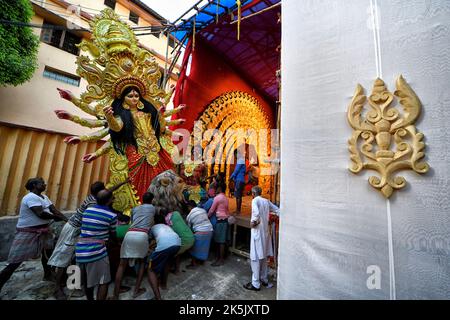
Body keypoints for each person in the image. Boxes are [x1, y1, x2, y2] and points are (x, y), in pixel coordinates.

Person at [57, 85, 185, 203]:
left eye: (136, 96)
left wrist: (161, 114)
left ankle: (165, 204)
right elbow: (116, 129)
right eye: (130, 96)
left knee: (165, 182)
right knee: (138, 185)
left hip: (157, 152)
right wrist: (109, 117)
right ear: (123, 99)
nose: (134, 98)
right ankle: (141, 208)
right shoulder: (121, 116)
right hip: (137, 154)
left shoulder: (147, 114)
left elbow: (161, 129)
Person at [47, 179, 128, 300]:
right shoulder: (92, 204)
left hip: (82, 231)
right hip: (73, 229)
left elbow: (109, 192)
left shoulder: (95, 198)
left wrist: (123, 182)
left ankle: (74, 284)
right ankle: (58, 287)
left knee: (75, 258)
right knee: (64, 258)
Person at [0, 178, 67, 294]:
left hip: (44, 231)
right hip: (28, 232)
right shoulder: (30, 197)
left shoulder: (44, 197)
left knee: (47, 255)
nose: (45, 184)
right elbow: (40, 213)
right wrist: (54, 217)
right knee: (15, 262)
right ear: (34, 185)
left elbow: (54, 210)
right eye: (42, 183)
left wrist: (66, 220)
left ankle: (48, 275)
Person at [112, 192, 156, 299]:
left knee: (122, 265)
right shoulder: (153, 208)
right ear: (151, 200)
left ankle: (115, 295)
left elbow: (132, 221)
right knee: (142, 263)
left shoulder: (135, 209)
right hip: (142, 235)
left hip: (130, 233)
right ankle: (136, 290)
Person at [75, 190, 117, 300]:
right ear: (109, 200)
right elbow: (113, 234)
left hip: (80, 250)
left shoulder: (88, 210)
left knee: (88, 281)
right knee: (104, 281)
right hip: (97, 251)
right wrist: (116, 243)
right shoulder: (111, 215)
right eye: (112, 197)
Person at [243, 186, 280, 291]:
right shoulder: (266, 201)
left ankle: (255, 283)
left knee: (255, 258)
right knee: (263, 257)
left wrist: (254, 222)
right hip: (265, 233)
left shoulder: (255, 201)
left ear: (253, 194)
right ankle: (264, 279)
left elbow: (256, 214)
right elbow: (277, 210)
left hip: (257, 233)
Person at [147, 212, 181, 299]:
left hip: (165, 245)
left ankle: (158, 297)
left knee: (151, 270)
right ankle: (163, 285)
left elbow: (150, 240)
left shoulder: (153, 227)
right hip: (177, 244)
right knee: (167, 263)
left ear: (154, 221)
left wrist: (151, 249)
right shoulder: (168, 226)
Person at [208, 183, 231, 266]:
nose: (215, 189)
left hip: (220, 220)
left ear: (220, 188)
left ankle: (220, 260)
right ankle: (220, 258)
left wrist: (206, 217)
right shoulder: (225, 197)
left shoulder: (217, 198)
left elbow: (211, 210)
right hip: (225, 219)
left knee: (220, 241)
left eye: (216, 188)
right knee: (222, 241)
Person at [164, 209, 195, 274]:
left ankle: (172, 271)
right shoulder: (176, 213)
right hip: (191, 236)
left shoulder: (168, 223)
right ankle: (177, 269)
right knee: (177, 251)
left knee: (171, 254)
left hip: (185, 240)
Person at [185, 201, 214, 269]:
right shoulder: (203, 210)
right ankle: (201, 261)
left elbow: (189, 228)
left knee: (193, 247)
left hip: (201, 232)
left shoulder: (189, 215)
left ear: (189, 207)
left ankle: (193, 264)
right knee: (205, 247)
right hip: (210, 230)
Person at [230, 149, 246, 214]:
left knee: (238, 195)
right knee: (238, 195)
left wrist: (231, 177)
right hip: (239, 180)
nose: (235, 156)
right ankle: (238, 210)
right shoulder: (240, 160)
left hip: (239, 180)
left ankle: (238, 210)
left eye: (235, 154)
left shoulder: (241, 160)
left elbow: (236, 170)